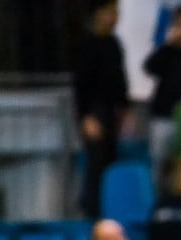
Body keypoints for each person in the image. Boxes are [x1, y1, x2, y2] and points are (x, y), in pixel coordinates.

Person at [73, 0, 129, 218]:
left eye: (116, 13)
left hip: (111, 110)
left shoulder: (114, 43)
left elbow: (119, 79)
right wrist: (86, 116)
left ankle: (111, 211)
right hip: (94, 111)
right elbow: (81, 84)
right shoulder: (86, 44)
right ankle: (92, 212)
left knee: (111, 162)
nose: (114, 18)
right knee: (95, 163)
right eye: (109, 12)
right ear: (97, 14)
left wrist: (124, 107)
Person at [143, 3, 181, 185]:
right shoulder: (168, 53)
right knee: (160, 164)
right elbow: (149, 67)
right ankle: (161, 206)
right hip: (163, 117)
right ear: (176, 27)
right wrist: (169, 45)